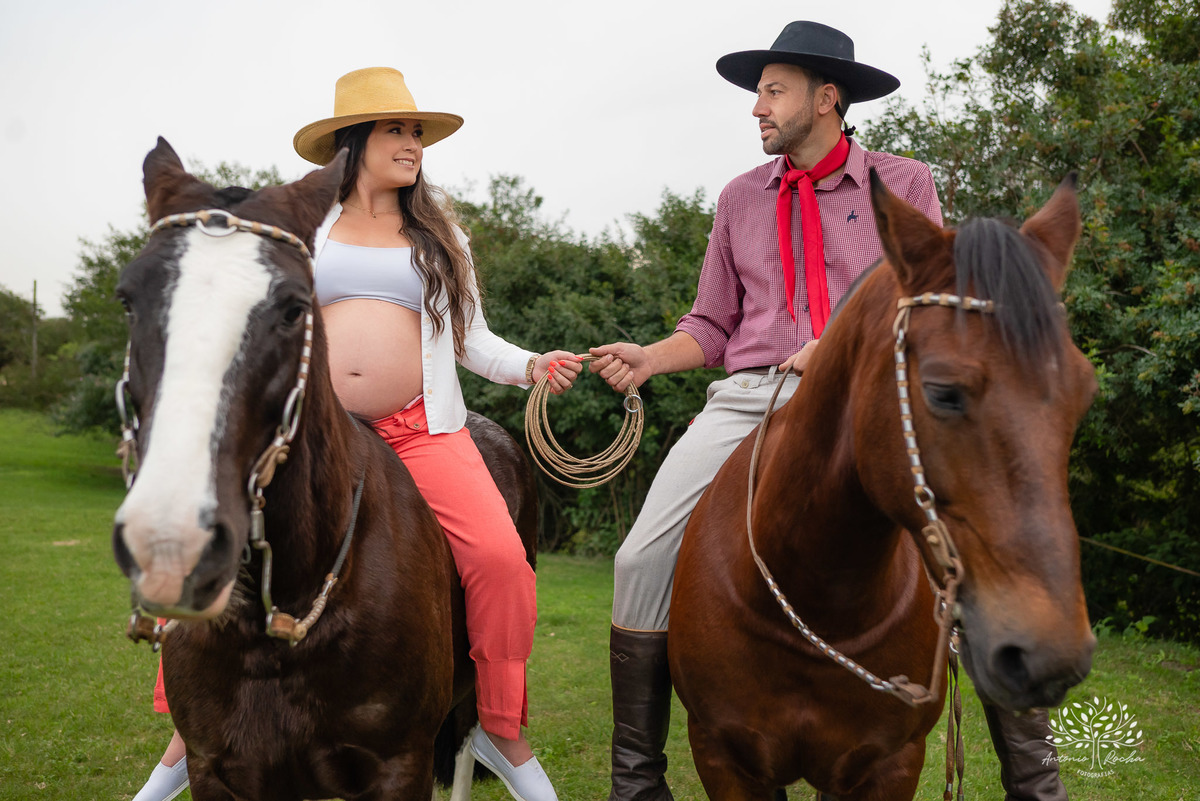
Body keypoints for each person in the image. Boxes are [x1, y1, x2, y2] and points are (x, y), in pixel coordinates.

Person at [588, 21, 1069, 801]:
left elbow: (921, 298)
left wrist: (837, 345)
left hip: (864, 395)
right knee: (638, 556)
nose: (757, 108)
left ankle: (1035, 781)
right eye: (758, 93)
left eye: (772, 90)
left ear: (827, 97)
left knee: (968, 545)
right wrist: (650, 356)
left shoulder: (904, 183)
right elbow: (711, 324)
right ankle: (636, 780)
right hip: (751, 397)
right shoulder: (739, 198)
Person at [132, 67, 580, 801]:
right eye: (397, 130)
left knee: (501, 559)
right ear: (355, 143)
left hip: (421, 431)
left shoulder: (441, 234)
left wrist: (534, 366)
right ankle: (190, 734)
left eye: (418, 133)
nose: (413, 145)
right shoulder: (306, 224)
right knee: (222, 539)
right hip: (314, 439)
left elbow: (473, 339)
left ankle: (499, 722)